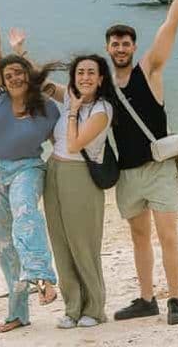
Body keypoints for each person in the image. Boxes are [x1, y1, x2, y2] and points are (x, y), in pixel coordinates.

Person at [107, 0, 178, 325]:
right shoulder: (104, 87)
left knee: (168, 235)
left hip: (159, 168)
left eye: (126, 42)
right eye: (115, 43)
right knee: (139, 237)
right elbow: (69, 99)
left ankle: (175, 298)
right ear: (108, 49)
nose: (121, 48)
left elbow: (170, 25)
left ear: (133, 47)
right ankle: (147, 298)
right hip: (127, 173)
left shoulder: (150, 71)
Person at [0, 0, 60, 333]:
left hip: (26, 168)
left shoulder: (49, 109)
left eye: (20, 72)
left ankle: (44, 281)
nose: (15, 78)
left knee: (25, 215)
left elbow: (64, 145)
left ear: (29, 75)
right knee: (3, 243)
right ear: (3, 80)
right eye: (9, 75)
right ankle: (19, 312)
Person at [43, 55, 116, 329]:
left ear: (100, 79)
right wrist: (21, 51)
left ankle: (94, 308)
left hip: (81, 176)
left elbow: (74, 145)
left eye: (90, 73)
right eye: (80, 72)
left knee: (83, 244)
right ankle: (72, 307)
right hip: (54, 172)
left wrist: (73, 111)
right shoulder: (67, 98)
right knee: (61, 243)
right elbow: (42, 84)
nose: (84, 77)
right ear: (73, 78)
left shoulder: (102, 109)